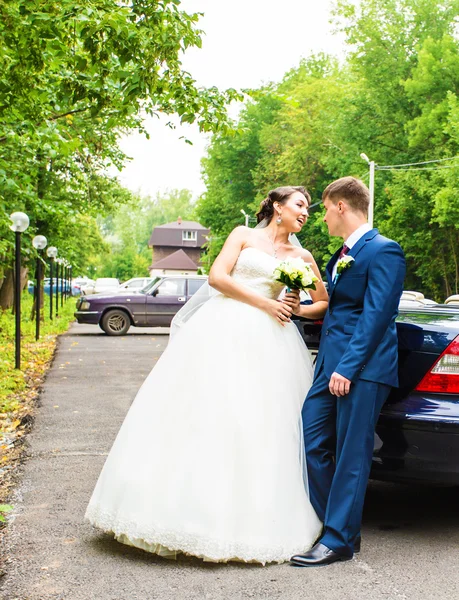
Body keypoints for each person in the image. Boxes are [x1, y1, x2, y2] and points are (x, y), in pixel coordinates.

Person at [85, 185, 329, 564]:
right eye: (300, 204)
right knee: (203, 412)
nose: (307, 212)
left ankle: (250, 521)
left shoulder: (302, 255)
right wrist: (265, 302)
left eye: (310, 208)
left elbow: (323, 303)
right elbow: (217, 277)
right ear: (278, 207)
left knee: (259, 425)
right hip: (223, 330)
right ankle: (175, 513)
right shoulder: (243, 235)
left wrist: (296, 310)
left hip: (272, 345)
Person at [289, 177, 406, 567]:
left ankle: (337, 540)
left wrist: (349, 368)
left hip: (361, 370)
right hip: (329, 366)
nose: (320, 217)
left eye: (323, 209)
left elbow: (377, 315)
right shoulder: (342, 254)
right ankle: (338, 527)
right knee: (310, 438)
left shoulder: (384, 251)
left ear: (341, 206)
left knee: (352, 454)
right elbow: (337, 310)